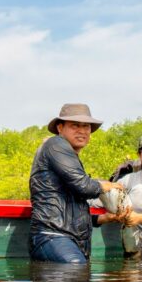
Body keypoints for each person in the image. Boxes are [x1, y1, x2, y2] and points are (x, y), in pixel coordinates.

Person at [29, 103, 122, 263]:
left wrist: (103, 219)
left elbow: (71, 206)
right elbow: (83, 186)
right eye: (75, 125)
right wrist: (105, 185)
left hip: (66, 239)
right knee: (75, 268)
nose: (82, 130)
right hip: (52, 236)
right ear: (60, 128)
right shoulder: (55, 144)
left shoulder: (69, 158)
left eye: (86, 126)